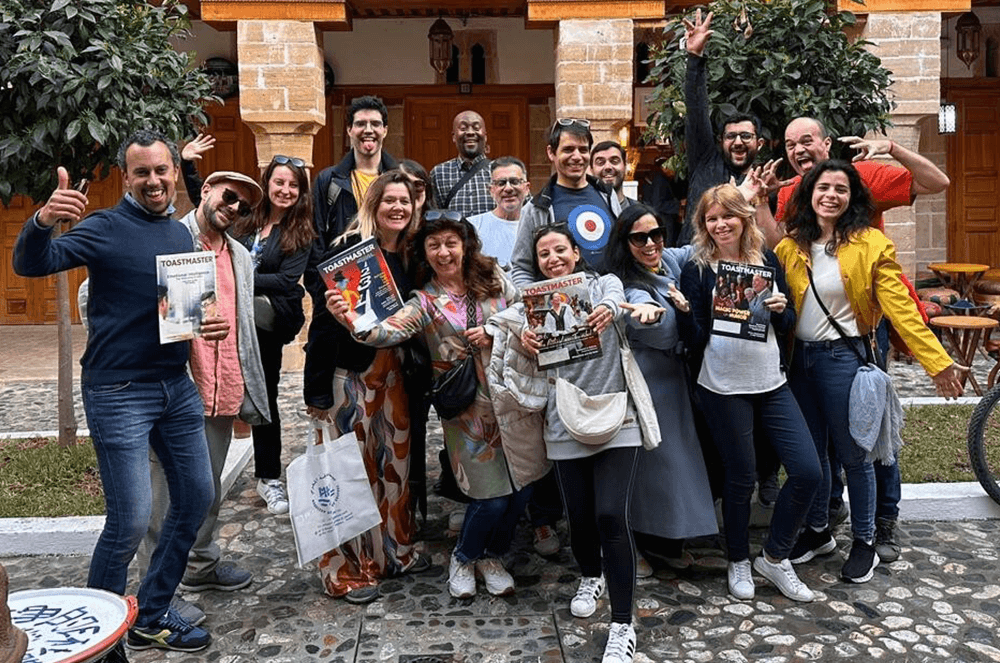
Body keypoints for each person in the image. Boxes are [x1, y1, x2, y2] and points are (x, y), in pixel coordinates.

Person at [12, 129, 222, 652]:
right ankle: (99, 634)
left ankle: (151, 612)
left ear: (175, 172)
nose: (154, 181)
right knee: (128, 521)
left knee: (196, 497)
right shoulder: (104, 227)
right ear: (127, 177)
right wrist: (40, 221)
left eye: (162, 170)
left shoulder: (179, 234)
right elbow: (30, 264)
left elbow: (180, 316)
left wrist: (204, 324)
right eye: (142, 172)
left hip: (176, 387)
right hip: (119, 392)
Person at [327, 212, 549, 599]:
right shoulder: (425, 301)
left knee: (522, 491)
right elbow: (388, 330)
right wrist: (351, 321)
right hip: (468, 411)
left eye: (451, 243)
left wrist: (497, 331)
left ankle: (490, 556)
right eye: (434, 245)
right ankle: (463, 557)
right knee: (490, 497)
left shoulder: (495, 280)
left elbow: (527, 316)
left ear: (466, 246)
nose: (444, 252)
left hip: (514, 400)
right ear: (425, 253)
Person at [768, 117, 952, 561]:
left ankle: (873, 533)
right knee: (814, 454)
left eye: (807, 140)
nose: (829, 195)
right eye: (791, 143)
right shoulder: (791, 236)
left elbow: (901, 308)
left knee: (862, 448)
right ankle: (820, 528)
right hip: (801, 359)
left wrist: (937, 361)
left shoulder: (869, 233)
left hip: (849, 352)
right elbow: (773, 269)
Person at [516, 224, 665, 663]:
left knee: (609, 514)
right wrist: (521, 337)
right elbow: (497, 324)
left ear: (576, 253)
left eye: (560, 250)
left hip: (616, 414)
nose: (553, 259)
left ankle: (623, 624)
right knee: (578, 515)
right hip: (564, 417)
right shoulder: (532, 304)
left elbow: (619, 299)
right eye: (544, 254)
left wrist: (608, 307)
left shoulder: (605, 283)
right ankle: (589, 574)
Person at [677, 183, 822, 602]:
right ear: (704, 224)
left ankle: (774, 558)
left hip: (770, 381)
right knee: (740, 478)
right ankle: (738, 558)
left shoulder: (767, 260)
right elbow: (696, 338)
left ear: (744, 218)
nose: (720, 224)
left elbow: (787, 318)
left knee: (807, 470)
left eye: (728, 216)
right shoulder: (698, 268)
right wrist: (686, 314)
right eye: (712, 218)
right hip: (722, 384)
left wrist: (781, 310)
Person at [142, 169, 270, 607]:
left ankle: (199, 565)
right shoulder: (165, 237)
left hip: (221, 386)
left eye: (244, 207)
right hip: (173, 388)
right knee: (164, 496)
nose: (233, 208)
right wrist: (159, 313)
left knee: (207, 488)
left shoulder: (239, 254)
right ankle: (157, 592)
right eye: (229, 196)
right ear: (208, 189)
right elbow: (92, 298)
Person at [310, 171, 426, 604]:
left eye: (405, 201)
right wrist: (316, 391)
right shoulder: (349, 251)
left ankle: (392, 553)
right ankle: (345, 569)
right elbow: (322, 325)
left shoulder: (414, 255)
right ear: (373, 205)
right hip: (351, 376)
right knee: (349, 473)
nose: (398, 208)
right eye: (389, 200)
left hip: (396, 375)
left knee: (393, 469)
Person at [604, 203, 718, 568]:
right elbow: (649, 316)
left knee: (679, 460)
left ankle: (669, 539)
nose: (651, 243)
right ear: (625, 242)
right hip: (650, 381)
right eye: (640, 237)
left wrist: (741, 200)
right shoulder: (626, 282)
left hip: (675, 378)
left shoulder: (667, 260)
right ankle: (651, 540)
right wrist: (655, 315)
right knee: (662, 463)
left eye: (656, 234)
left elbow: (699, 246)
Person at [231, 155, 315, 514]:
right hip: (229, 324)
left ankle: (268, 478)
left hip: (265, 328)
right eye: (279, 182)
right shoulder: (246, 220)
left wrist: (237, 276)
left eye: (293, 185)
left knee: (264, 399)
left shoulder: (300, 231)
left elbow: (286, 280)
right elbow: (208, 208)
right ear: (266, 183)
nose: (285, 190)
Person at [305, 95, 398, 419]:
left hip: (389, 284)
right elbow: (315, 234)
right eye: (361, 124)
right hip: (340, 285)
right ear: (349, 130)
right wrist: (321, 287)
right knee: (333, 359)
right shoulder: (329, 181)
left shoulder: (398, 177)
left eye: (375, 124)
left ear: (385, 130)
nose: (368, 130)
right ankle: (321, 405)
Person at [677, 9, 776, 246]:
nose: (738, 142)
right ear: (721, 141)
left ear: (759, 143)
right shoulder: (705, 162)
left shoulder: (765, 183)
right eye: (731, 136)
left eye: (745, 136)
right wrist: (695, 58)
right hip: (693, 264)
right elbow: (697, 110)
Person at [509, 119, 624, 285]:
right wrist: (535, 304)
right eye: (568, 149)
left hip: (612, 302)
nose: (577, 157)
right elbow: (522, 268)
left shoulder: (607, 194)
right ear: (551, 153)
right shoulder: (537, 208)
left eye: (583, 150)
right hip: (563, 304)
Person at [467, 156, 531, 269]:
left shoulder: (537, 223)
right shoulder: (473, 226)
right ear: (491, 190)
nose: (508, 188)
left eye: (514, 181)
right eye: (501, 183)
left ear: (526, 188)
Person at [430, 110, 493, 216]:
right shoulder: (439, 173)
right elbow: (434, 215)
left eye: (476, 128)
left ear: (485, 136)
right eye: (463, 128)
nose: (470, 132)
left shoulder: (499, 171)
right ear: (454, 137)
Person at [590, 141, 634, 209]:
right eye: (600, 162)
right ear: (591, 169)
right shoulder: (582, 213)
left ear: (625, 166)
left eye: (614, 161)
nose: (608, 167)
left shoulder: (641, 215)